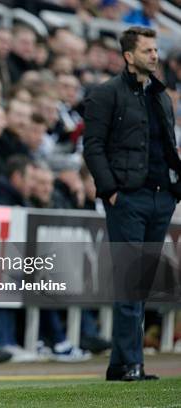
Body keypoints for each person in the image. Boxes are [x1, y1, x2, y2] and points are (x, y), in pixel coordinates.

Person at [83, 26, 180, 381]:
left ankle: (122, 364)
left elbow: (168, 146)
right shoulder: (106, 94)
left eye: (156, 50)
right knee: (130, 283)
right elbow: (92, 146)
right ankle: (130, 363)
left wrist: (177, 187)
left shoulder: (160, 95)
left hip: (161, 197)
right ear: (129, 56)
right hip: (128, 197)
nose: (155, 55)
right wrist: (110, 190)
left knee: (141, 284)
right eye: (147, 50)